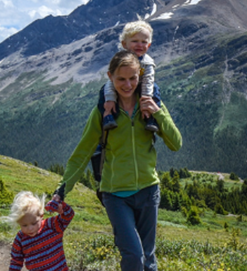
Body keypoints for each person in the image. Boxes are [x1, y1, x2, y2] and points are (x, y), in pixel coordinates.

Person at [54, 50, 182, 271]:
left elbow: (175, 143)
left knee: (149, 259)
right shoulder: (103, 113)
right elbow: (82, 153)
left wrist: (158, 113)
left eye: (133, 78)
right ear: (110, 77)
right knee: (133, 256)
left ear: (140, 75)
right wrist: (62, 189)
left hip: (149, 191)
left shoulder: (150, 106)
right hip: (115, 195)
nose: (128, 84)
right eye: (121, 79)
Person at [101, 21, 161, 133]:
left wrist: (146, 99)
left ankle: (152, 118)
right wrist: (110, 99)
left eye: (144, 42)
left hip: (141, 87)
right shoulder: (121, 60)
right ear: (124, 44)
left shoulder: (148, 63)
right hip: (125, 87)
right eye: (135, 41)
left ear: (149, 45)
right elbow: (112, 81)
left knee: (155, 88)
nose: (140, 45)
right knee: (103, 91)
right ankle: (106, 116)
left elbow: (148, 81)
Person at [7, 191, 74, 271]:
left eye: (34, 223)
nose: (30, 228)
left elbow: (69, 215)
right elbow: (16, 261)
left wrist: (60, 206)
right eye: (24, 225)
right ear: (19, 223)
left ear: (41, 216)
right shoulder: (20, 239)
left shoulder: (52, 225)